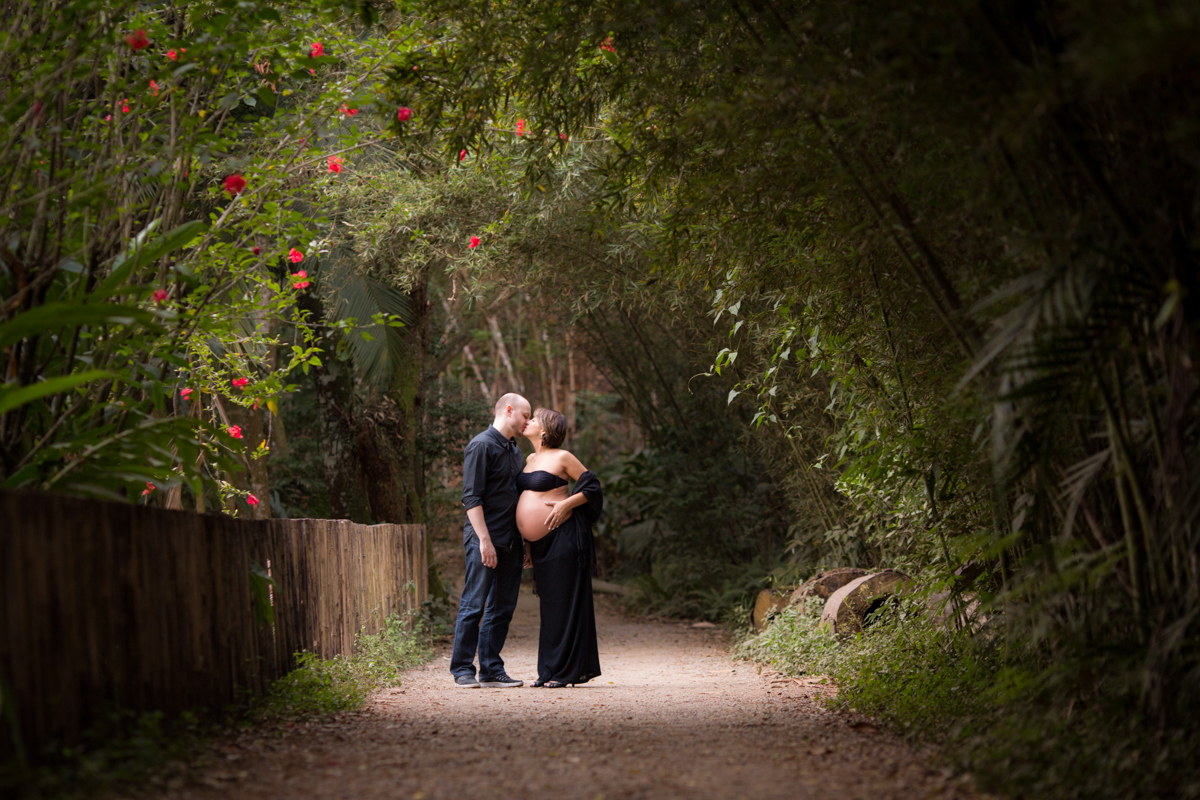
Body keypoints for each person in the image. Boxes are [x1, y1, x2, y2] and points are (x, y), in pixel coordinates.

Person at [517, 407, 603, 687]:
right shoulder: (530, 458)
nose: (527, 421)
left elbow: (592, 486)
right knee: (550, 607)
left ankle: (567, 672)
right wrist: (528, 541)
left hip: (563, 538)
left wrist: (568, 503)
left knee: (565, 604)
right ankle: (548, 671)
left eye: (533, 418)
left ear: (544, 430)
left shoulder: (563, 457)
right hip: (539, 544)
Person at [450, 392, 531, 688]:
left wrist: (524, 540)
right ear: (508, 410)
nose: (528, 421)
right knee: (474, 604)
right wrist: (484, 541)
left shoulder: (514, 449)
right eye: (525, 415)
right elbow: (471, 498)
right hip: (484, 538)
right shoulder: (481, 445)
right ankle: (462, 669)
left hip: (511, 539)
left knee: (503, 607)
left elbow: (517, 498)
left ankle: (491, 669)